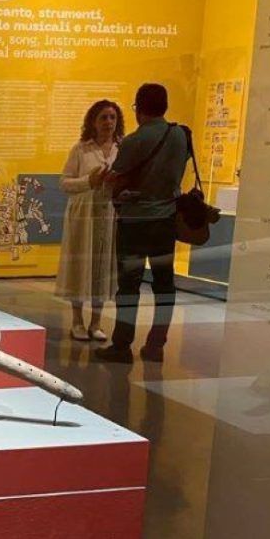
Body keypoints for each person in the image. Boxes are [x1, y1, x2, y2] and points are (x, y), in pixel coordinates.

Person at [95, 83, 190, 364]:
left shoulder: (134, 141)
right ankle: (156, 345)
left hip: (135, 221)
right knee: (164, 284)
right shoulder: (180, 135)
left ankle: (122, 344)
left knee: (129, 286)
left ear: (139, 108)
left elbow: (117, 178)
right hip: (166, 220)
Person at [55, 100, 124, 341]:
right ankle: (77, 321)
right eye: (103, 117)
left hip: (109, 214)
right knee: (80, 267)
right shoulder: (81, 149)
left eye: (112, 117)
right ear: (93, 122)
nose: (108, 122)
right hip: (83, 215)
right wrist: (89, 181)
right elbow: (64, 183)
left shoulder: (121, 149)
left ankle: (96, 322)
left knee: (102, 268)